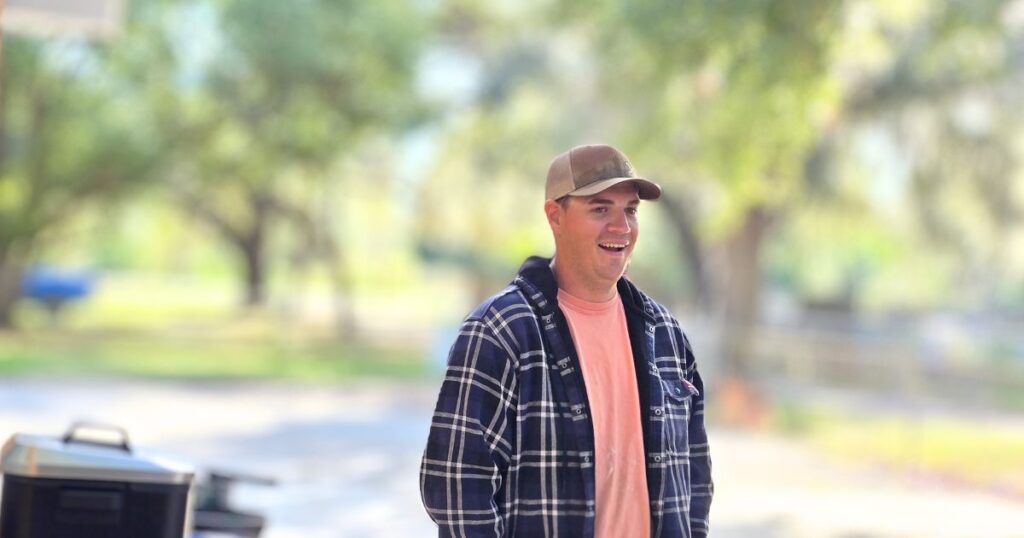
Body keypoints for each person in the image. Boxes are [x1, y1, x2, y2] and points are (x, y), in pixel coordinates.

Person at [420, 144, 713, 538]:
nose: (621, 227)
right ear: (555, 216)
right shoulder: (501, 331)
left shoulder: (666, 335)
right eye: (600, 209)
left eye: (630, 210)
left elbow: (695, 477)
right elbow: (455, 485)